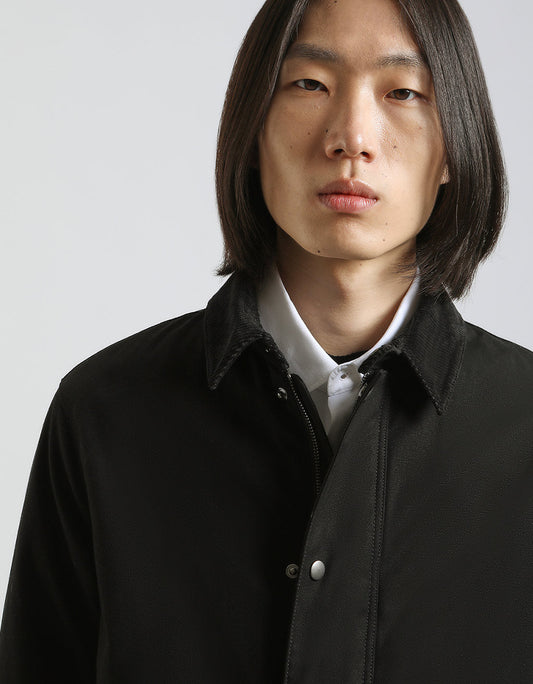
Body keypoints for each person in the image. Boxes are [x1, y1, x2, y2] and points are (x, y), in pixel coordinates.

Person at [1, 0, 532, 681]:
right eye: (310, 83)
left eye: (403, 92)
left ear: (454, 145)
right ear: (253, 128)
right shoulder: (103, 414)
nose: (351, 137)